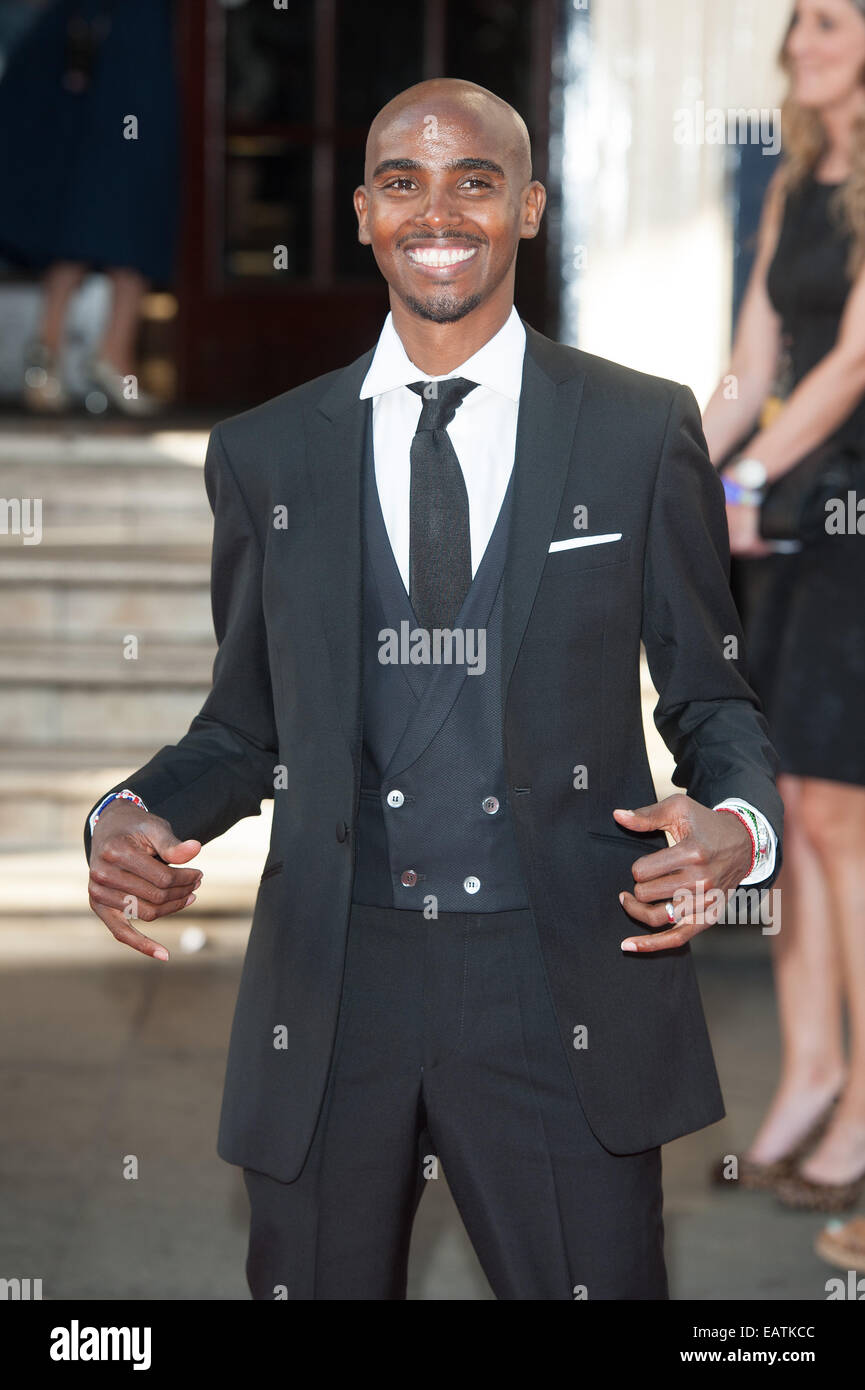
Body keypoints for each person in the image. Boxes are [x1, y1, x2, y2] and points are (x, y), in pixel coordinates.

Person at [83, 78, 782, 1301]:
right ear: (361, 213)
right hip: (334, 987)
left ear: (528, 206)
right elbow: (246, 726)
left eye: (475, 180)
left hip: (557, 976)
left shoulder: (634, 430)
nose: (437, 210)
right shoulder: (266, 453)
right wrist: (131, 812)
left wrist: (738, 825)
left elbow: (712, 700)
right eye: (403, 182)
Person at [702, 0, 865, 1212]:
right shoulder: (795, 177)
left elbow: (855, 360)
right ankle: (810, 1068)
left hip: (849, 507)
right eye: (798, 23)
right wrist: (672, 473)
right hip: (792, 515)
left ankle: (863, 1098)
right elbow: (751, 369)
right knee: (794, 803)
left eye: (830, 23)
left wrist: (747, 477)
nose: (801, 44)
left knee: (841, 814)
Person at [0, 0, 179, 414]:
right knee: (89, 206)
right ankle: (51, 353)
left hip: (136, 49)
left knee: (135, 206)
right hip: (99, 49)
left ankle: (107, 356)